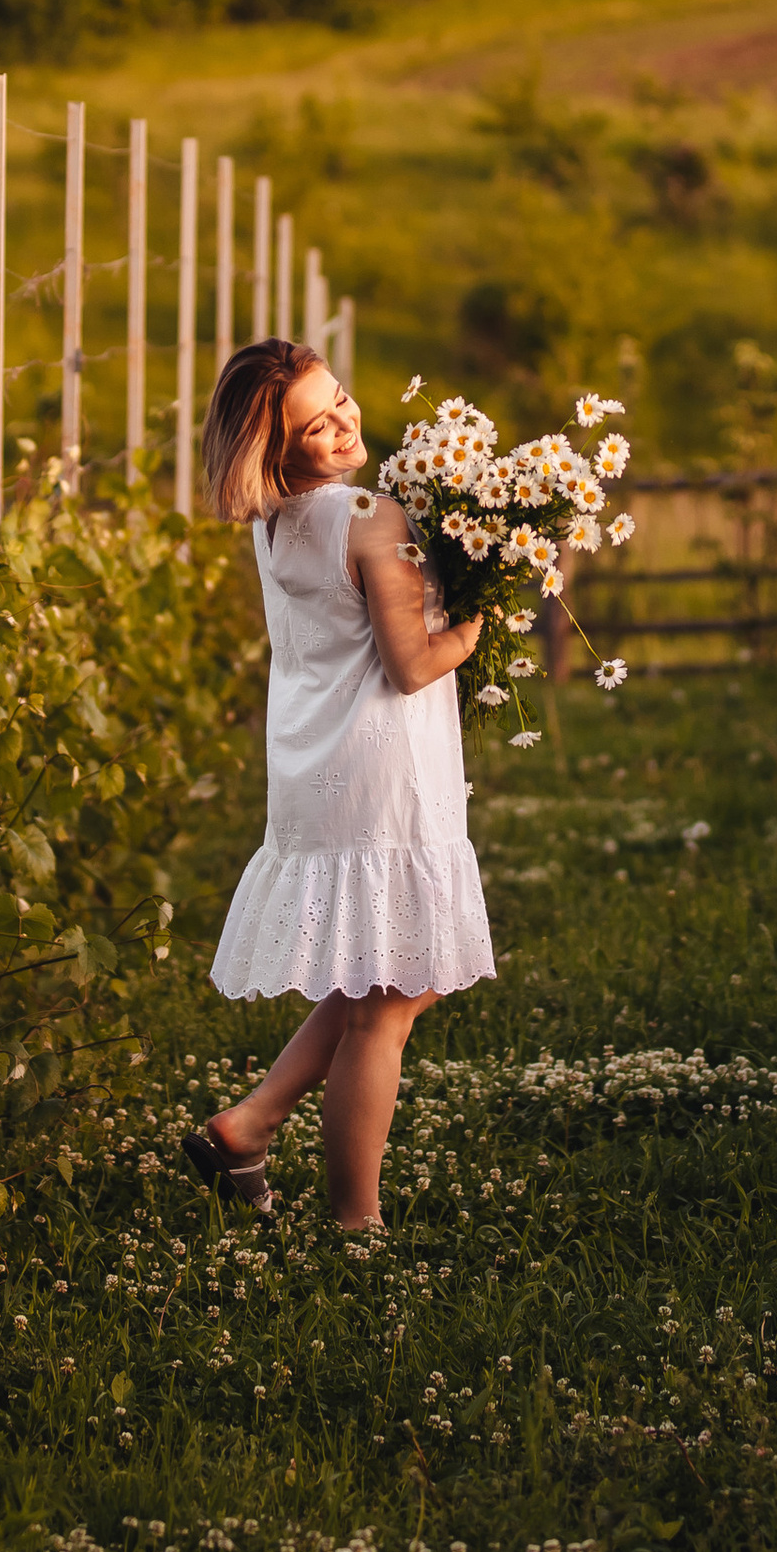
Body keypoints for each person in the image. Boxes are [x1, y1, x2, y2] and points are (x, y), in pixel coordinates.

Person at [186, 337, 490, 1232]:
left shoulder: (278, 519)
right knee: (387, 1005)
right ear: (276, 449)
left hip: (321, 765)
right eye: (317, 425)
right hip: (385, 773)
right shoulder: (370, 513)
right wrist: (480, 616)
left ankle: (245, 1128)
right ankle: (355, 1225)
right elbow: (411, 665)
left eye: (342, 400)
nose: (345, 424)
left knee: (385, 980)